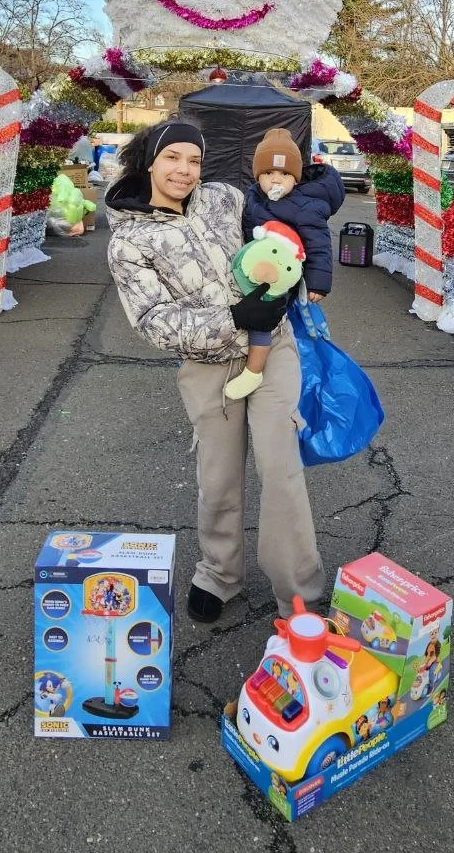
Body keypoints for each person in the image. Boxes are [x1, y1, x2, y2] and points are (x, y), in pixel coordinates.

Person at [105, 117, 325, 624]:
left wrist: (298, 253)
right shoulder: (129, 240)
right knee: (219, 477)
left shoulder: (222, 198)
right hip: (209, 367)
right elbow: (152, 321)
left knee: (280, 467)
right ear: (150, 161)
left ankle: (301, 595)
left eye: (195, 160)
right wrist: (231, 319)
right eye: (173, 158)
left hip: (274, 347)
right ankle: (220, 573)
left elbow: (284, 214)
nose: (185, 171)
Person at [224, 129, 345, 399]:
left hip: (282, 275)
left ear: (295, 178)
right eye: (268, 174)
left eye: (284, 174)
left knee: (263, 318)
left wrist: (318, 282)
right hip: (255, 267)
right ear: (258, 177)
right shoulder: (254, 196)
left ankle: (254, 371)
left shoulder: (306, 205)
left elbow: (319, 244)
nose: (275, 180)